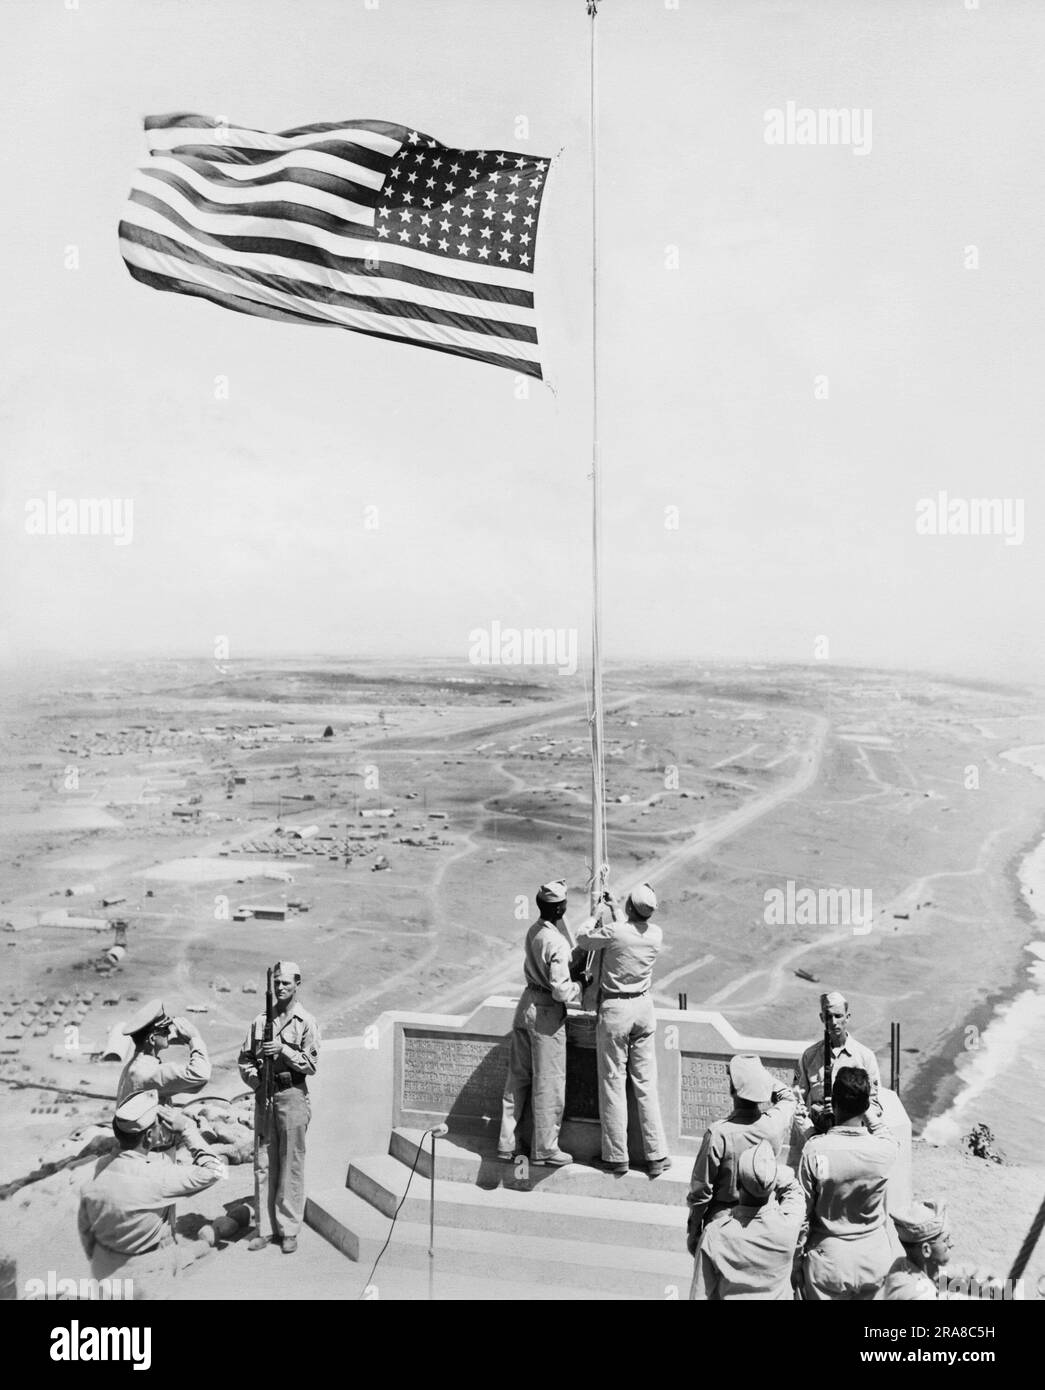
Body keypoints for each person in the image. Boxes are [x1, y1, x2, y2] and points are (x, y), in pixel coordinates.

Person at [77, 1089, 225, 1299]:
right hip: (149, 1279)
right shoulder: (156, 1176)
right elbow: (216, 1170)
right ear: (148, 1136)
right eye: (158, 1124)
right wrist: (187, 1130)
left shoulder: (97, 1168)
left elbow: (85, 1230)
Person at [574, 884, 670, 1176]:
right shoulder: (655, 935)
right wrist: (616, 906)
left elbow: (583, 939)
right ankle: (657, 1155)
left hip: (616, 1011)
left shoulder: (614, 933)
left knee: (613, 1083)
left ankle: (616, 1156)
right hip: (644, 1009)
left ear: (629, 908)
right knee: (645, 1084)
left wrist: (593, 916)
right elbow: (628, 931)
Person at [237, 960, 319, 1254]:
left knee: (291, 1163)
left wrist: (283, 1049)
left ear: (298, 984)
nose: (281, 988)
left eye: (286, 983)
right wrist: (256, 1082)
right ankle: (265, 1229)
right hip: (266, 1097)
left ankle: (289, 1230)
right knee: (263, 1163)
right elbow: (245, 1058)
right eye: (276, 984)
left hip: (293, 1095)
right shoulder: (260, 1022)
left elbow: (311, 1066)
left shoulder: (305, 1022)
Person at [798, 1066, 899, 1300]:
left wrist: (795, 1262)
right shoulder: (885, 1150)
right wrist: (868, 1111)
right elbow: (883, 1132)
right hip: (874, 1259)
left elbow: (801, 1215)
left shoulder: (815, 1150)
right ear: (866, 1106)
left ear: (834, 1105)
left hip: (828, 1262)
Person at [498, 879, 579, 1166]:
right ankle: (545, 1149)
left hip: (526, 1005)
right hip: (545, 1012)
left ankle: (507, 1143)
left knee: (517, 1079)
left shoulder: (534, 931)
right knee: (548, 1082)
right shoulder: (556, 941)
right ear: (561, 909)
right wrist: (579, 985)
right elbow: (560, 989)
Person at [686, 1055, 797, 1253]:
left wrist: (694, 1230)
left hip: (725, 1220)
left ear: (732, 1090)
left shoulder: (719, 1134)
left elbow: (701, 1192)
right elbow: (788, 1097)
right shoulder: (774, 1123)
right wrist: (762, 1079)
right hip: (762, 1216)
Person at [691, 1140, 805, 1300]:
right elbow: (793, 1189)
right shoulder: (789, 1224)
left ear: (737, 1183)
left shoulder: (716, 1234)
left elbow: (699, 1294)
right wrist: (766, 1175)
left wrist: (754, 1176)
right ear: (773, 1185)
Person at [795, 991, 880, 1126]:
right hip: (818, 1134)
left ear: (847, 1017)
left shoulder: (865, 1057)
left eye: (838, 1016)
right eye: (828, 1017)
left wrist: (845, 1112)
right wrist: (815, 1111)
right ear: (822, 1018)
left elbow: (875, 1104)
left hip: (852, 1135)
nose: (833, 1022)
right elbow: (798, 1099)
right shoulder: (809, 1056)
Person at [116, 999, 211, 1105]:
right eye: (165, 1029)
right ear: (152, 1039)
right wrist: (194, 1038)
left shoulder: (135, 1066)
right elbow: (201, 1074)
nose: (169, 1032)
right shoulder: (149, 1072)